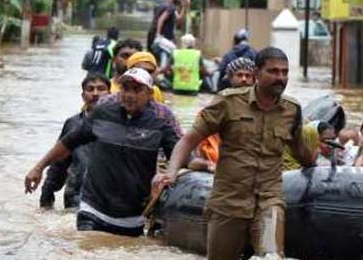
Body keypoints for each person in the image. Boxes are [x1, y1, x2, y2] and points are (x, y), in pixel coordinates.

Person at [153, 47, 315, 260]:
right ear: (257, 73)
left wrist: (318, 166)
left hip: (269, 198)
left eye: (285, 72)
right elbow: (188, 140)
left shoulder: (291, 110)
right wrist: (171, 172)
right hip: (229, 201)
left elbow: (300, 150)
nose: (281, 78)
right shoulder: (228, 102)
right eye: (274, 71)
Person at [24, 68, 180, 237]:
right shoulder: (102, 115)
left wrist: (190, 168)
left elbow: (181, 154)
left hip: (133, 219)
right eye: (126, 88)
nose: (129, 95)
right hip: (92, 211)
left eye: (137, 90)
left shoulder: (159, 125)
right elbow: (67, 144)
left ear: (149, 94)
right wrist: (38, 168)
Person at [38, 73, 110, 210]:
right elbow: (59, 163)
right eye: (90, 89)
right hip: (76, 199)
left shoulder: (120, 125)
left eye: (101, 89)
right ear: (83, 96)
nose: (95, 93)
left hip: (108, 201)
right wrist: (47, 195)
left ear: (110, 94)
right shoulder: (73, 124)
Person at [188, 57, 257, 173]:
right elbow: (194, 141)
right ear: (230, 78)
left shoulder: (261, 107)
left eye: (248, 76)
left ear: (254, 79)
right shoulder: (217, 105)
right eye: (239, 75)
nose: (244, 79)